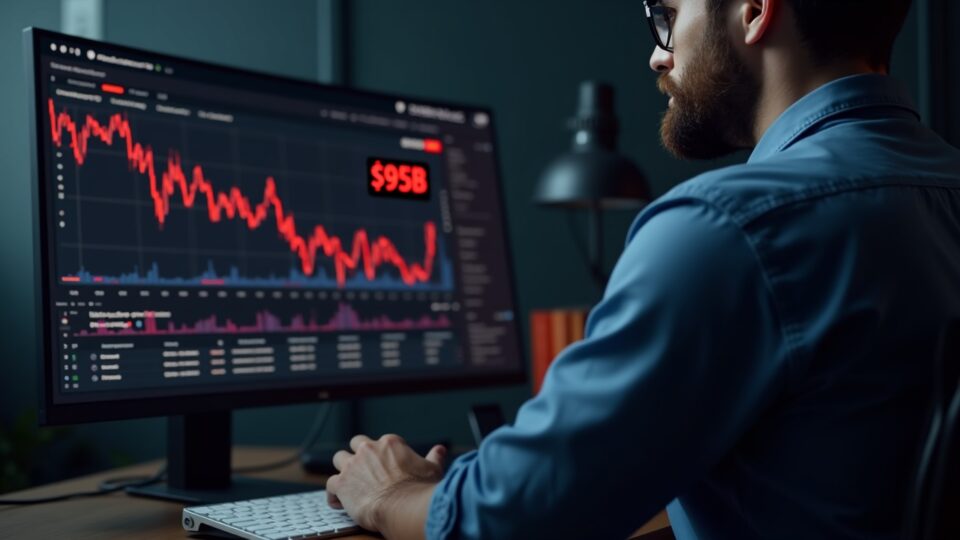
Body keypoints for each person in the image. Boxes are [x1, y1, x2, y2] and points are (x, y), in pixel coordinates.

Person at [325, 0, 960, 538]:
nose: (658, 56)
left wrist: (390, 493)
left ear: (756, 10)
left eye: (667, 14)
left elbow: (520, 514)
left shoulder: (729, 225)